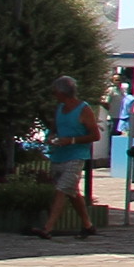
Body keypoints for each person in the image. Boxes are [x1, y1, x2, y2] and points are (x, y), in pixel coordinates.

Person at [36, 74, 98, 239]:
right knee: (72, 192)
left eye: (55, 92)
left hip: (76, 155)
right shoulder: (60, 108)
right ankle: (87, 224)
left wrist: (71, 140)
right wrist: (51, 137)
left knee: (62, 189)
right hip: (59, 155)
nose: (54, 95)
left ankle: (47, 228)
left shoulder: (84, 109)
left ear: (62, 93)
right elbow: (54, 128)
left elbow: (95, 135)